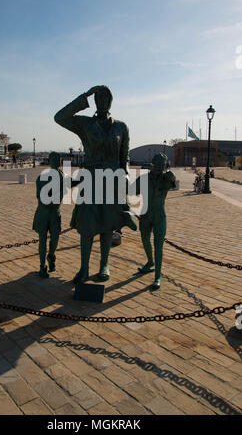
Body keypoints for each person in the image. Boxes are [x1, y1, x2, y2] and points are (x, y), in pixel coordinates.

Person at [54, 86, 137, 283]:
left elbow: (124, 158)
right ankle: (84, 268)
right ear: (95, 100)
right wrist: (84, 96)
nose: (102, 102)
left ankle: (104, 265)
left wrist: (123, 176)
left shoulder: (121, 127)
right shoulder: (85, 124)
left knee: (108, 225)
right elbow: (60, 117)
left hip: (111, 180)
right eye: (98, 98)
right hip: (90, 178)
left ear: (111, 102)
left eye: (106, 98)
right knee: (87, 225)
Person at [136, 153, 175, 290]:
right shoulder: (143, 179)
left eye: (162, 165)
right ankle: (150, 262)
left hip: (159, 215)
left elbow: (172, 182)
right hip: (145, 215)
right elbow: (131, 191)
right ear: (152, 164)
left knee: (159, 246)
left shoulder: (166, 179)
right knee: (145, 240)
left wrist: (170, 174)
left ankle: (157, 276)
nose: (160, 168)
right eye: (157, 165)